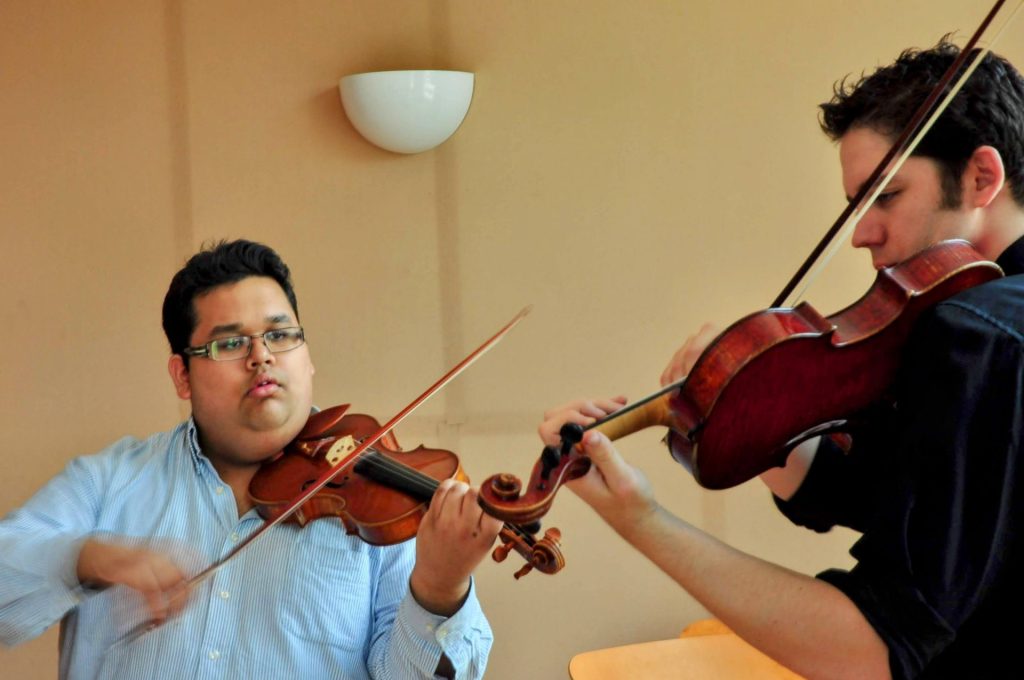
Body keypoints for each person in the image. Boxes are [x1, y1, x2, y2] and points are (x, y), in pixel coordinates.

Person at [540, 40, 1024, 679]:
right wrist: (754, 404)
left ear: (982, 178)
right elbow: (877, 494)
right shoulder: (967, 326)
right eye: (856, 204)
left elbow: (878, 649)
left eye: (886, 194)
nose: (862, 233)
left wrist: (642, 520)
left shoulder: (979, 334)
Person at [0, 239, 503, 679]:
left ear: (307, 358)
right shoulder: (109, 481)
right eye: (230, 343)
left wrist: (438, 589)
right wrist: (89, 557)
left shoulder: (383, 508)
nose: (261, 356)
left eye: (280, 336)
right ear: (182, 375)